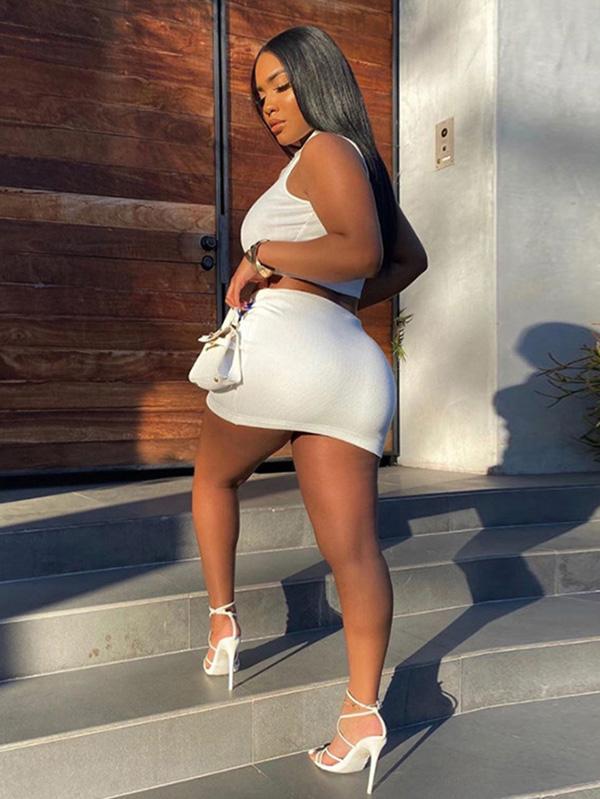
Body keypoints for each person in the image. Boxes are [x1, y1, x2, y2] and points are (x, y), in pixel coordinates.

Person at [192, 24, 428, 795]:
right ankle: (362, 715)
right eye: (259, 94)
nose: (268, 105)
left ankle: (224, 621)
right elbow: (405, 260)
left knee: (213, 479)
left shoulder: (326, 151)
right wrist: (342, 300)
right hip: (349, 367)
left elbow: (360, 252)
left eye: (281, 86)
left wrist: (263, 258)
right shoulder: (359, 162)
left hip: (284, 356)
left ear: (318, 80)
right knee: (355, 553)